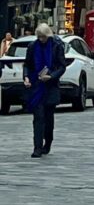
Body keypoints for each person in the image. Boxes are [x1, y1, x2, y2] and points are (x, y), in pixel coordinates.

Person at [22, 23, 66, 158]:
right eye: (39, 37)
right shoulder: (32, 47)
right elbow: (27, 64)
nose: (41, 39)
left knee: (48, 118)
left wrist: (51, 76)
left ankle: (48, 141)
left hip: (50, 86)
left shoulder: (56, 46)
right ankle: (37, 147)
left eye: (43, 37)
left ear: (48, 35)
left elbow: (62, 66)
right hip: (36, 87)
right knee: (38, 117)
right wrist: (26, 77)